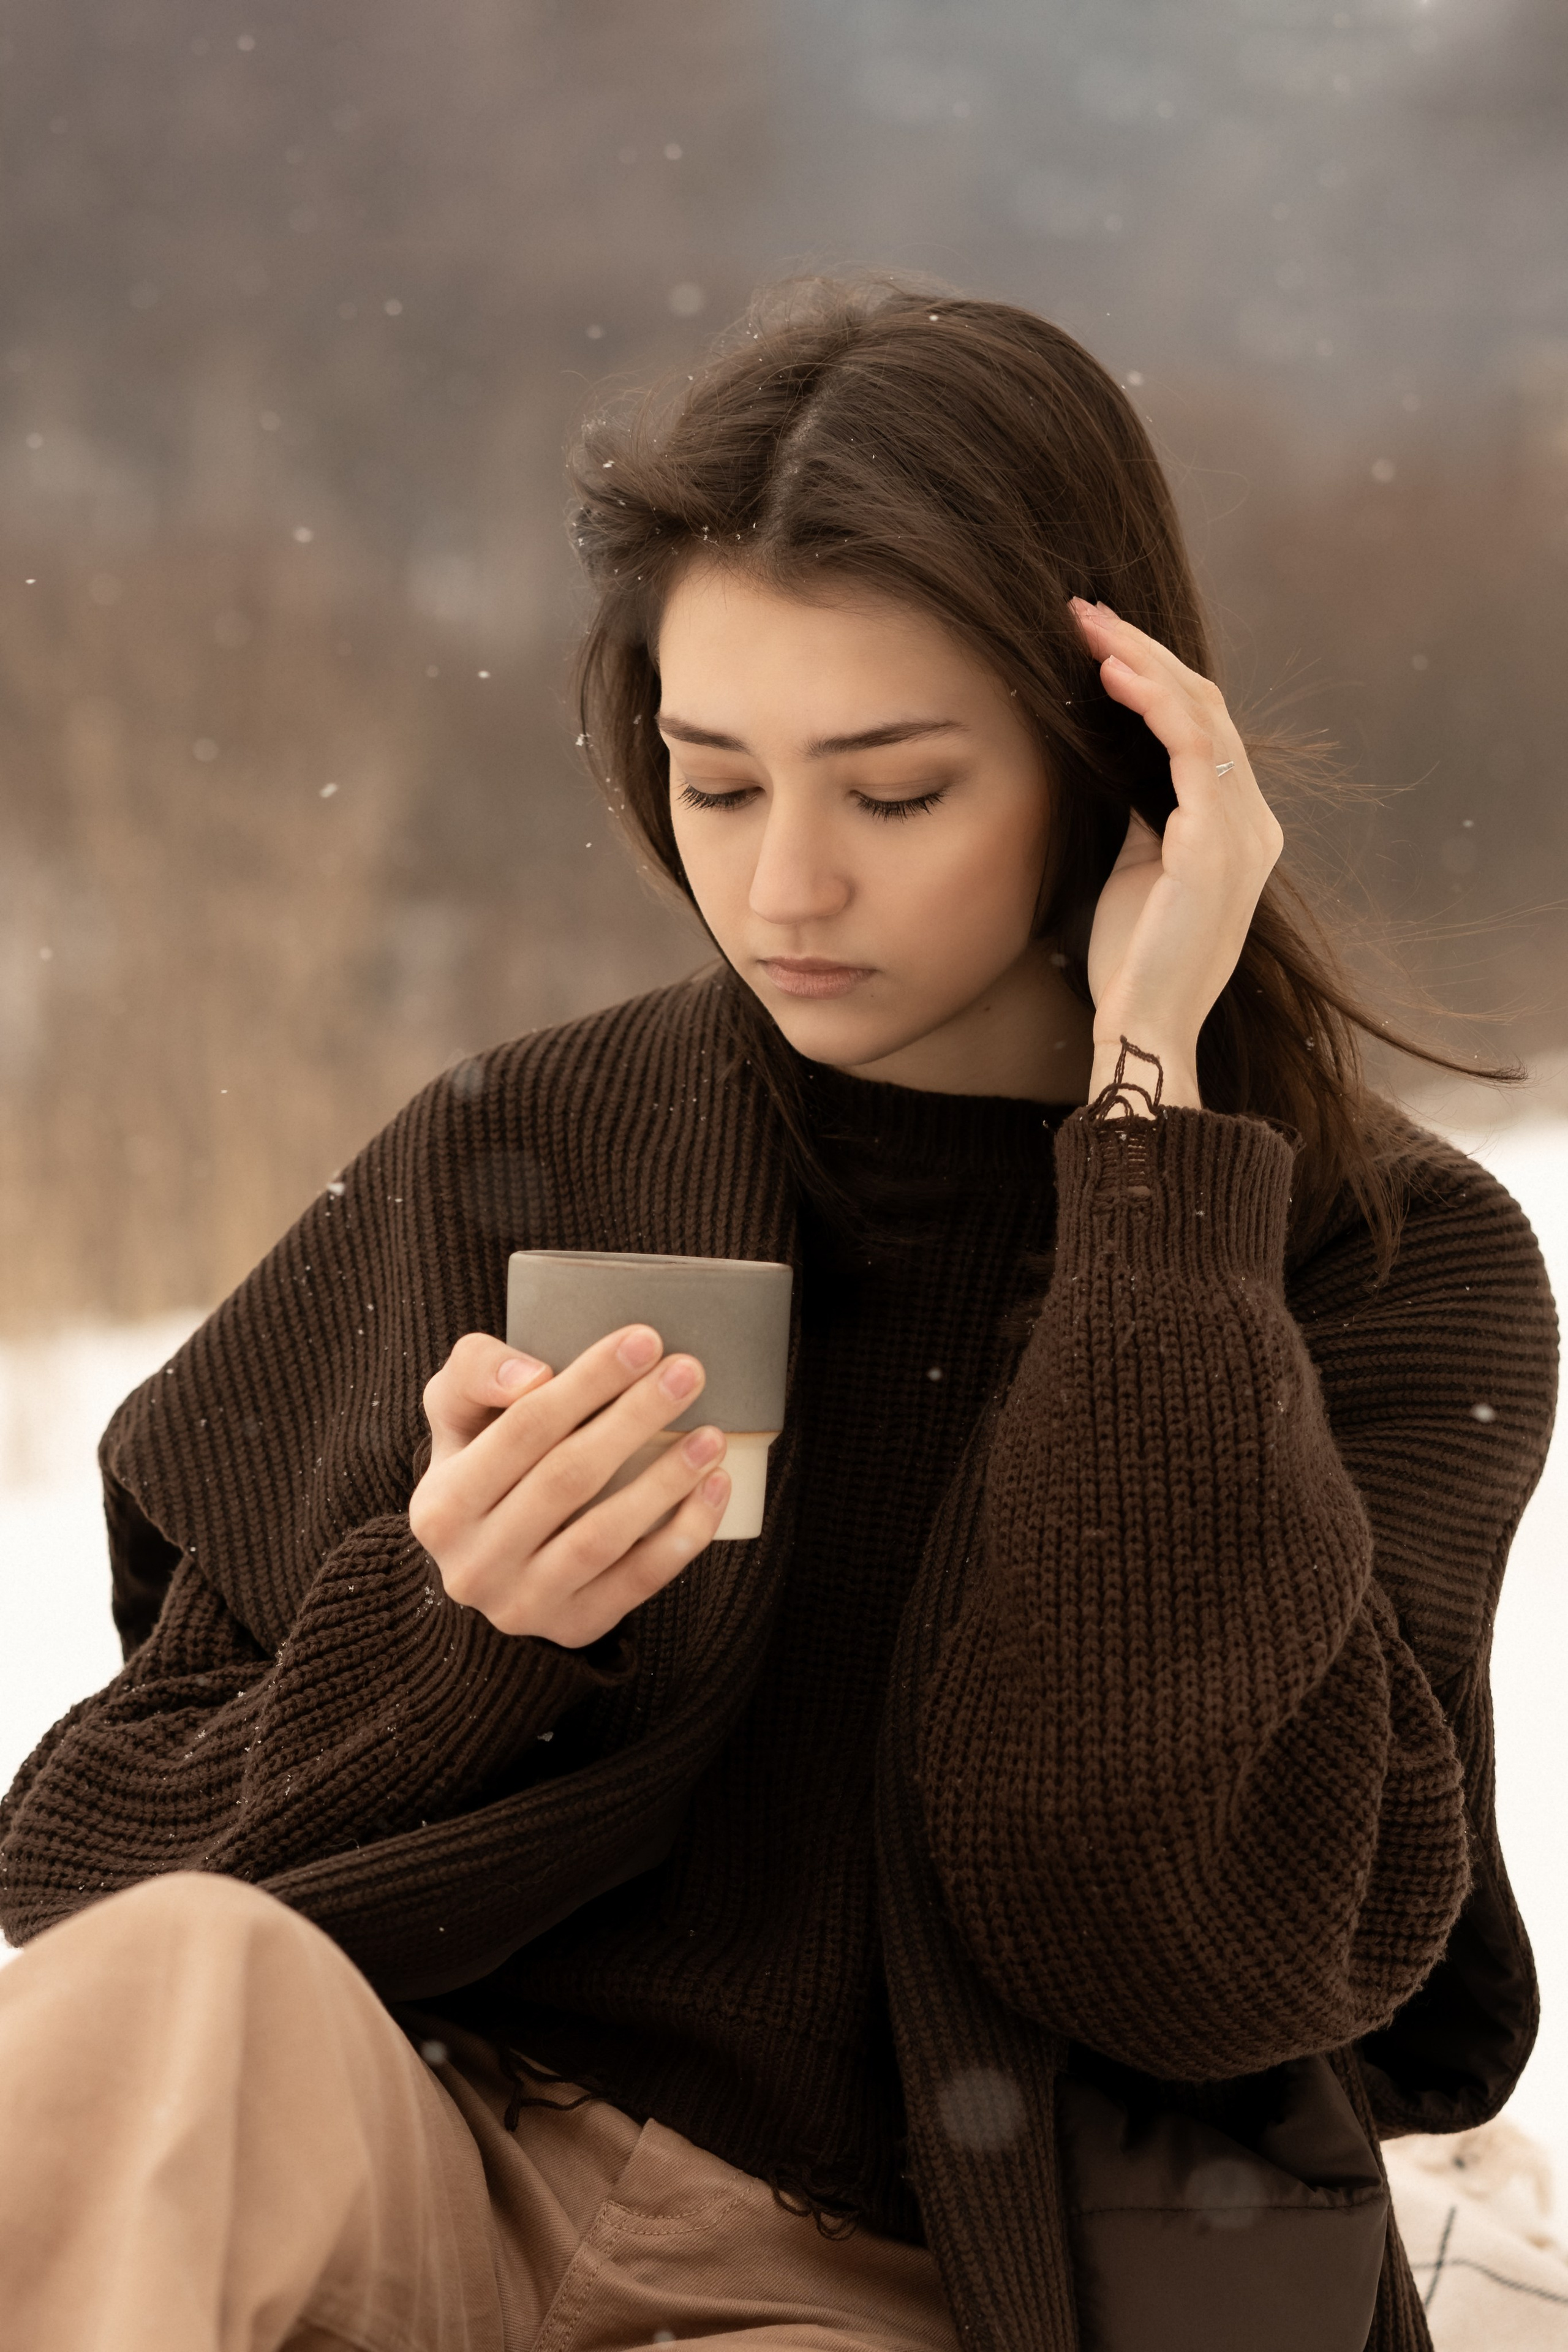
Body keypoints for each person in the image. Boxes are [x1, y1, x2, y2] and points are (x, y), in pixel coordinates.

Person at [0, 278, 1556, 2352]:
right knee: (179, 1985)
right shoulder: (529, 1139)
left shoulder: (1372, 1258)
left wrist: (1147, 1146)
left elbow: (1202, 1958)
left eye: (892, 794)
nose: (784, 891)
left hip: (920, 2284)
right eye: (717, 782)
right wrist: (452, 1638)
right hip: (423, 2162)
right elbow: (88, 1870)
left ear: (1116, 779)